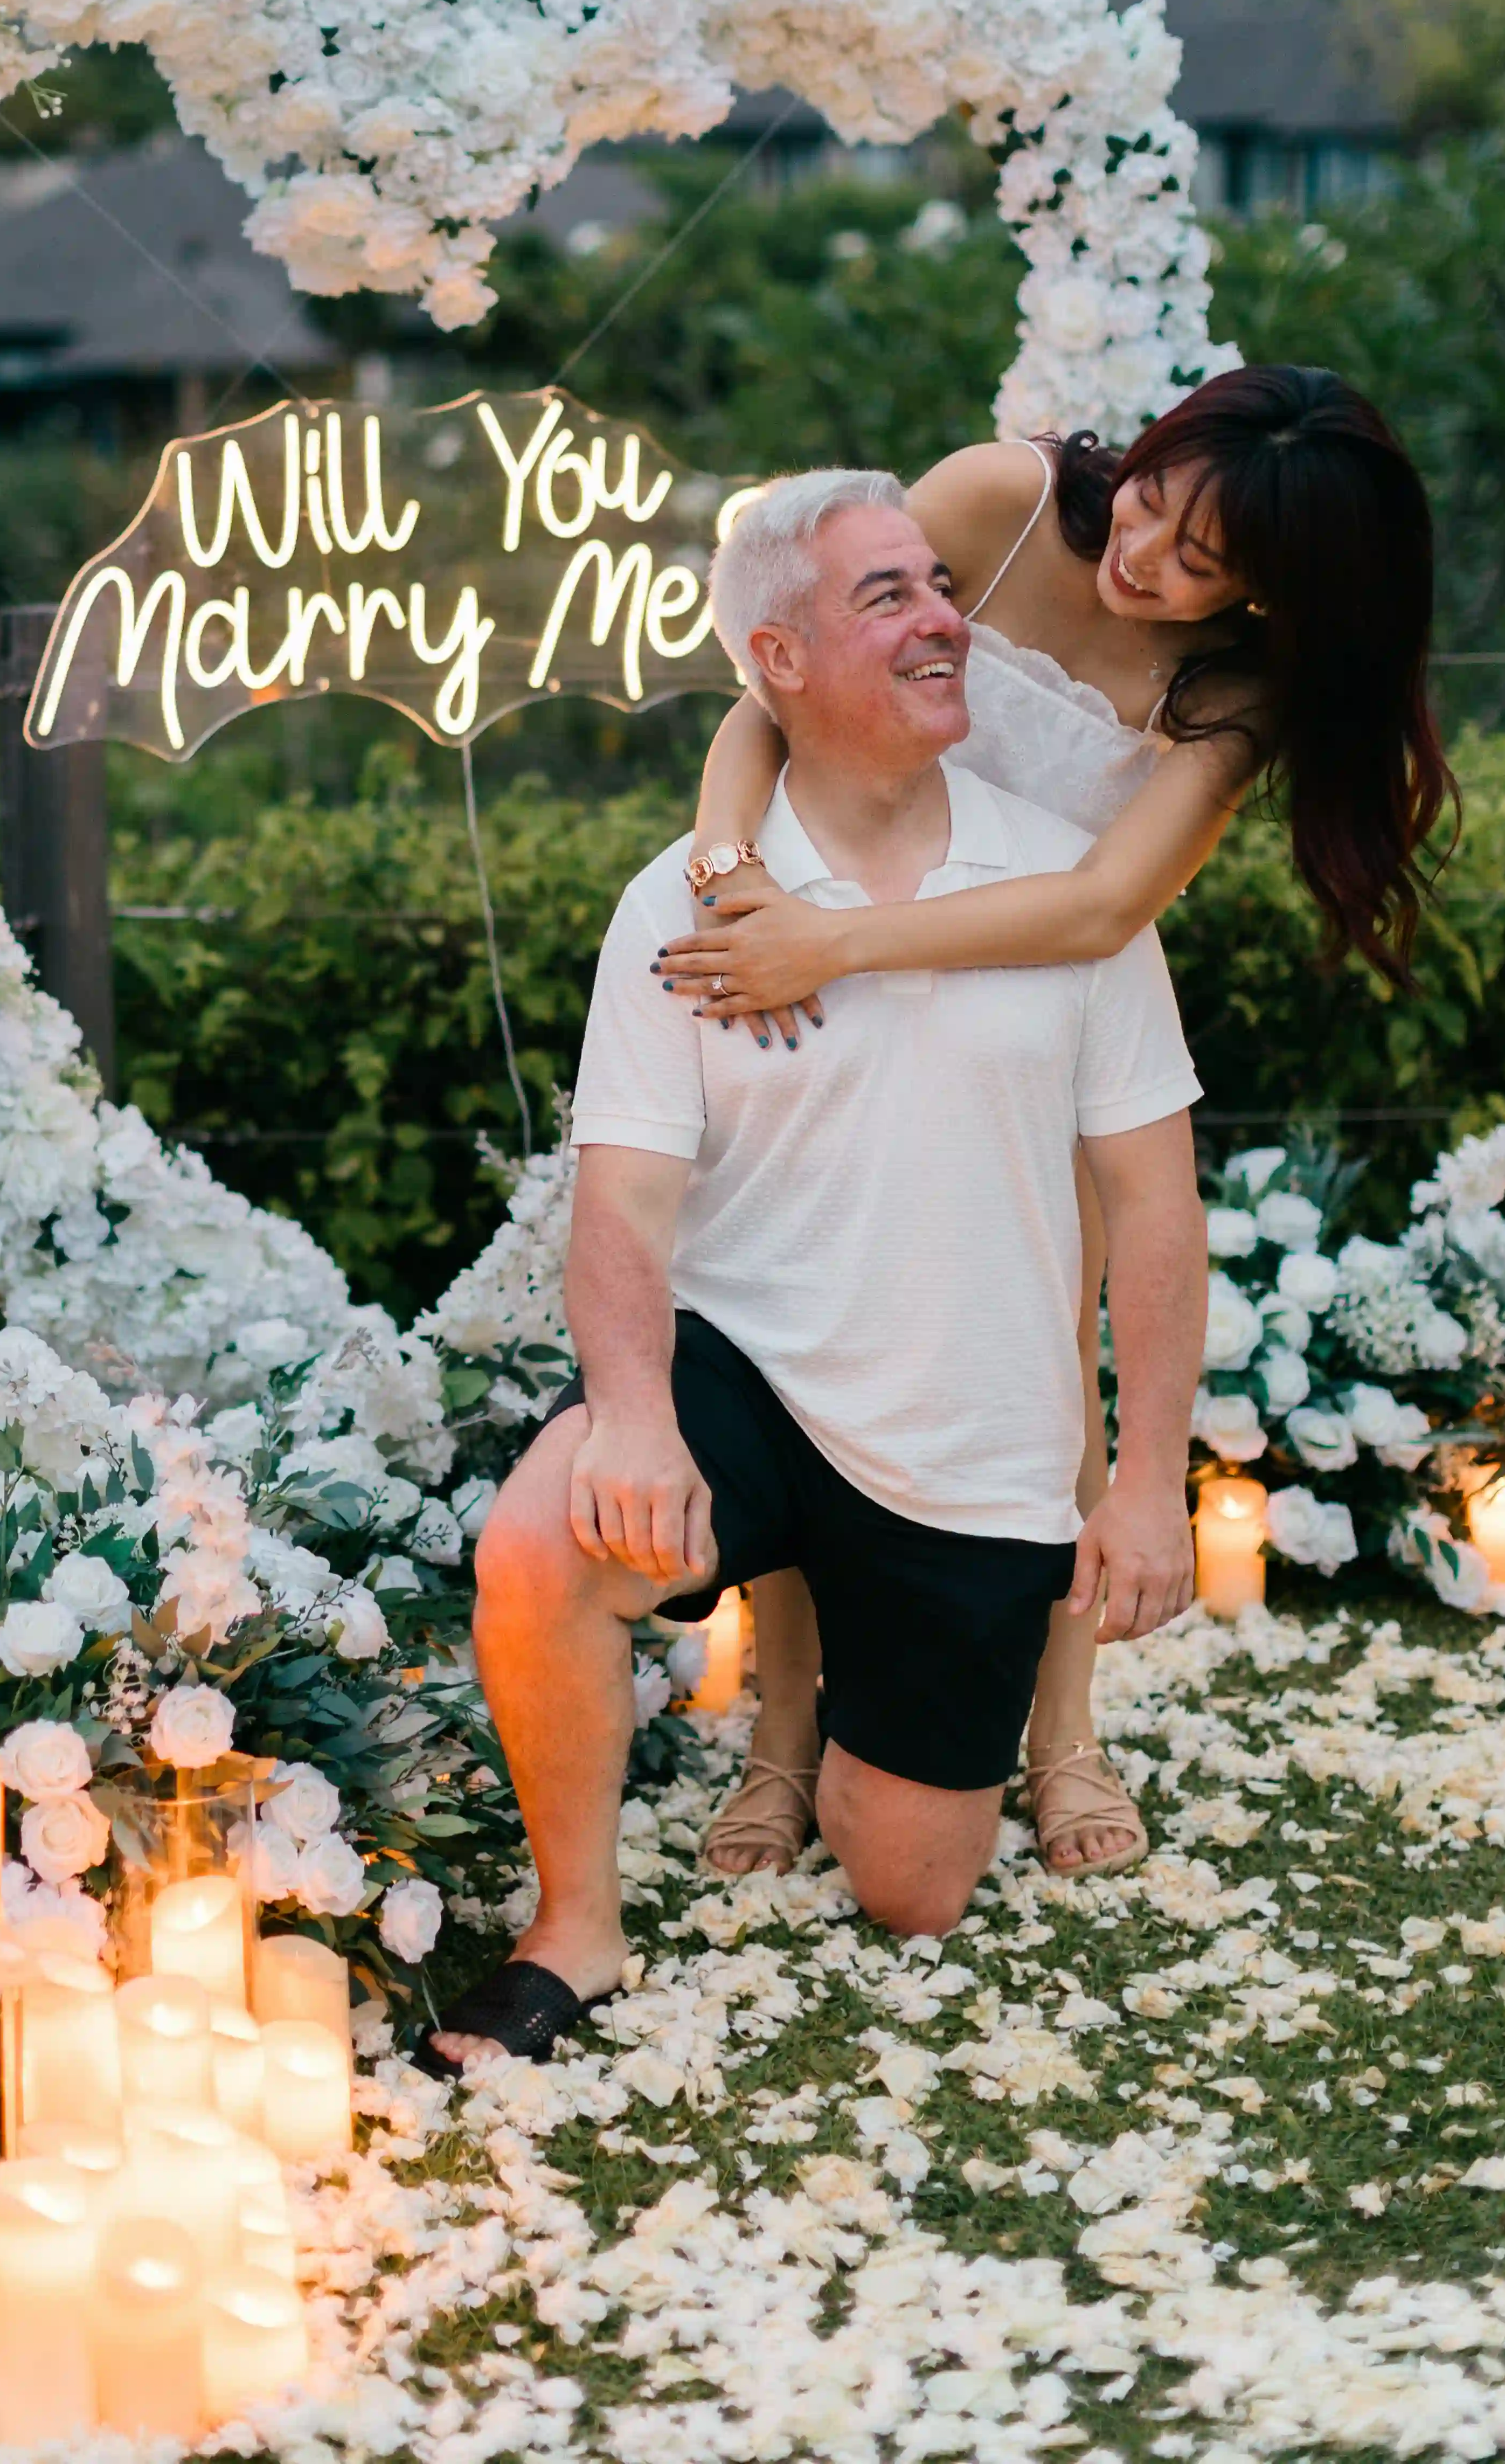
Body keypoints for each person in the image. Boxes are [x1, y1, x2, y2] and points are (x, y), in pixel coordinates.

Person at [420, 473, 1207, 2076]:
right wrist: (633, 1415)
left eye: (938, 585)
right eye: (889, 598)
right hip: (756, 1391)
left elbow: (1154, 1207)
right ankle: (574, 1928)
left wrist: (1144, 1483)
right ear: (776, 660)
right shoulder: (686, 903)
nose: (944, 621)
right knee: (536, 1539)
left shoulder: (1072, 887)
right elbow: (626, 1204)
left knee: (913, 1893)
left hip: (977, 1454)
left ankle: (859, 1727)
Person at [652, 364, 1454, 1885]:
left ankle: (1062, 1734)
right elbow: (781, 696)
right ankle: (782, 1735)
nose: (1144, 560)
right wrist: (726, 870)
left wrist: (837, 943)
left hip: (1025, 1020)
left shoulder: (1239, 686)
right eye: (1152, 502)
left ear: (1276, 600)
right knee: (797, 1350)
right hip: (817, 984)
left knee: (1050, 1376)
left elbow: (1101, 905)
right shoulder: (997, 501)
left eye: (1205, 566)